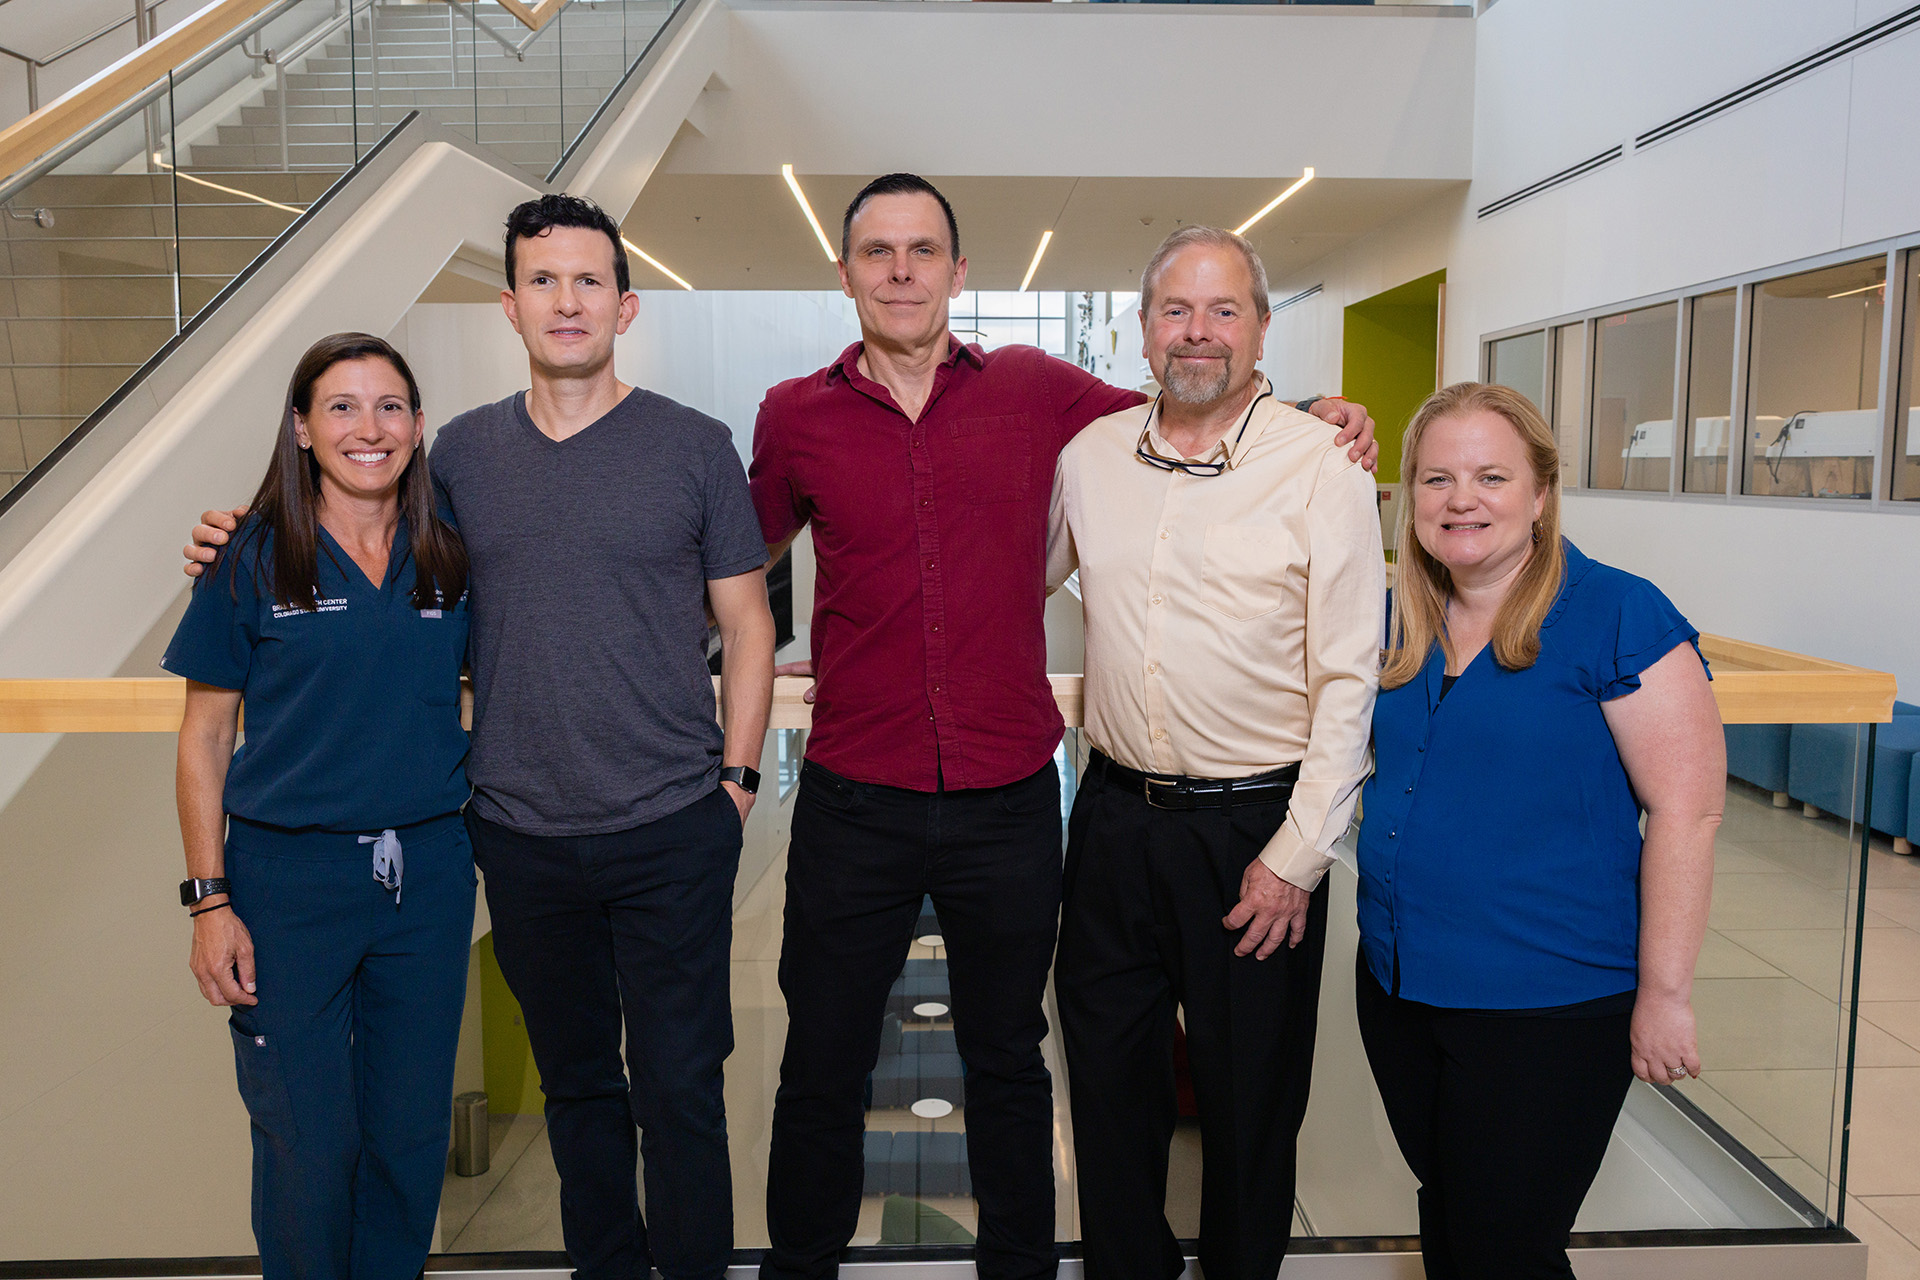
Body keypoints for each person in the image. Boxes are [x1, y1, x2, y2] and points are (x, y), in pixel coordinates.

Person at [749, 175, 1379, 1280]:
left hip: (1085, 811)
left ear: (958, 270)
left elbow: (1197, 400)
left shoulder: (1052, 397)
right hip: (941, 800)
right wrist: (812, 655)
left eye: (923, 249)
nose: (902, 270)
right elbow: (741, 565)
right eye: (878, 251)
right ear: (845, 272)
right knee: (856, 1065)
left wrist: (1322, 407)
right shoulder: (811, 415)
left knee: (1050, 1067)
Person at [185, 195, 776, 1280]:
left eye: (589, 280)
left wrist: (734, 785)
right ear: (511, 306)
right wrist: (239, 532)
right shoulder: (458, 456)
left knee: (682, 1089)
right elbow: (355, 521)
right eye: (543, 281)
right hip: (517, 831)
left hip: (670, 824)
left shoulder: (695, 446)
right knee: (577, 1089)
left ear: (625, 305)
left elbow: (747, 624)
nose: (567, 301)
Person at [1044, 226, 1383, 1280]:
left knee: (1250, 1108)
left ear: (1263, 328)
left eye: (1224, 309)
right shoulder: (1089, 458)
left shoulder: (1321, 463)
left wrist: (1299, 856)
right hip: (1112, 821)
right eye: (1177, 310)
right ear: (1144, 330)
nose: (1199, 332)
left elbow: (1349, 677)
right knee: (1109, 1094)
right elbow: (1005, 581)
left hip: (1256, 834)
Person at [1354, 382, 1722, 1278]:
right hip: (1402, 989)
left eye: (1491, 477)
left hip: (1547, 1006)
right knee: (1452, 1217)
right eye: (1437, 479)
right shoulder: (1397, 618)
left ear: (1541, 495)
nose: (1462, 500)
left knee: (1503, 1246)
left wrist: (1666, 994)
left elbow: (1689, 811)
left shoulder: (1618, 613)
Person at [168, 333, 475, 1277]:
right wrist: (209, 901)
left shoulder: (449, 550)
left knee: (409, 1140)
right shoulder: (249, 556)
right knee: (305, 1142)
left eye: (390, 407)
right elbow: (204, 738)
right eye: (341, 406)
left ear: (417, 426)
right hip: (286, 884)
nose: (367, 428)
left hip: (426, 878)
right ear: (302, 428)